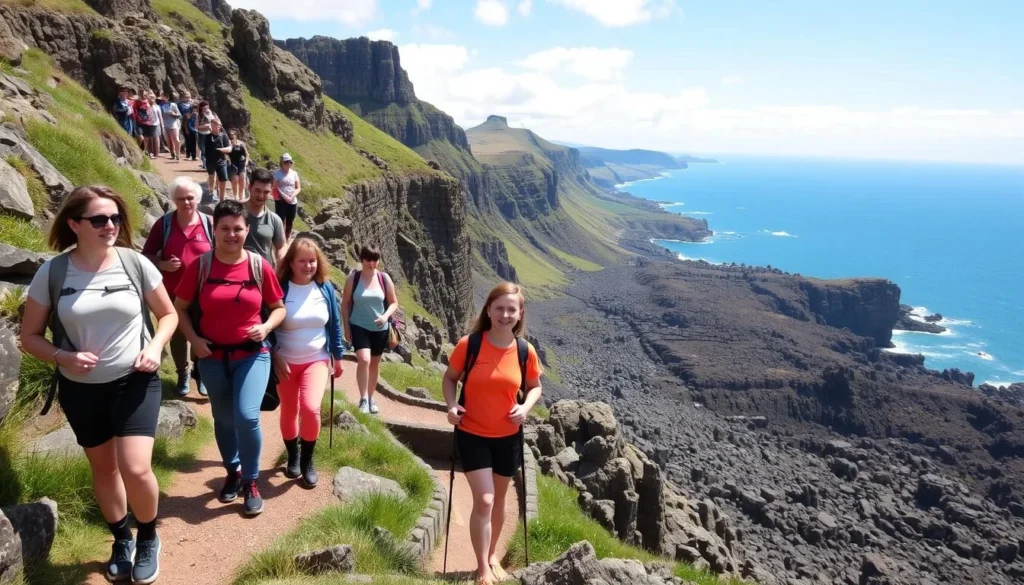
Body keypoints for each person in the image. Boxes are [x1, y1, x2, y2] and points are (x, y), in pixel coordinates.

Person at [19, 186, 178, 584]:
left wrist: (156, 346)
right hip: (80, 388)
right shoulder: (53, 272)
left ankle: (147, 537)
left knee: (136, 467)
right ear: (74, 224)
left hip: (135, 381)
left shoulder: (134, 263)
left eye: (115, 218)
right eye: (99, 219)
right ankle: (121, 539)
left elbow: (169, 315)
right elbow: (30, 337)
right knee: (104, 470)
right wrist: (63, 357)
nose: (111, 226)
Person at [173, 200, 285, 516]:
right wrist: (193, 340)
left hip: (252, 355)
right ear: (215, 230)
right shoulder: (201, 266)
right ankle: (232, 472)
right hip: (212, 356)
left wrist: (265, 327)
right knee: (223, 419)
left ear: (247, 230)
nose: (232, 234)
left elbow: (279, 308)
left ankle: (250, 481)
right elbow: (179, 308)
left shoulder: (258, 266)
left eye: (238, 228)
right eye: (225, 228)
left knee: (246, 416)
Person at [441, 283, 543, 585]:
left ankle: (491, 555)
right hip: (472, 434)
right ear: (488, 310)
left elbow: (536, 386)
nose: (505, 314)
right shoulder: (469, 345)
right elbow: (450, 379)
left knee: (498, 500)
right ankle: (482, 570)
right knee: (485, 500)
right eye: (500, 308)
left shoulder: (525, 351)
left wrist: (525, 407)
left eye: (512, 309)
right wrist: (450, 406)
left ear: (520, 313)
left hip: (508, 437)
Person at [273, 237, 345, 488]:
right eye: (302, 261)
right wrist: (274, 354)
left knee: (311, 408)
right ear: (291, 262)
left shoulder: (324, 288)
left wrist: (337, 355)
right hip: (285, 362)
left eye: (312, 261)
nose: (308, 266)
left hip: (317, 358)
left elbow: (334, 324)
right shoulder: (279, 288)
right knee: (289, 410)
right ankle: (292, 456)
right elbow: (268, 324)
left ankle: (307, 460)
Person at [141, 177, 213, 397]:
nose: (186, 202)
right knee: (179, 335)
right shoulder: (164, 224)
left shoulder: (209, 223)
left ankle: (200, 373)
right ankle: (182, 373)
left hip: (204, 293)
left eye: (190, 198)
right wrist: (162, 264)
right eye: (181, 198)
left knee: (203, 332)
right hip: (173, 293)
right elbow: (146, 256)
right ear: (173, 199)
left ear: (197, 199)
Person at [341, 245, 398, 415]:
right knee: (364, 360)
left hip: (380, 328)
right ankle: (363, 398)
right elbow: (345, 304)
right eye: (368, 260)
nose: (372, 264)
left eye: (375, 260)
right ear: (362, 260)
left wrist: (385, 316)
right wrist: (346, 327)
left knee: (374, 363)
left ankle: (371, 397)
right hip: (359, 325)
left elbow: (394, 302)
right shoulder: (353, 279)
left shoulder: (384, 278)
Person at [243, 168, 286, 267]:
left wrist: (280, 261)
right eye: (257, 191)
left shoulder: (274, 220)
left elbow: (281, 247)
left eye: (266, 192)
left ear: (271, 192)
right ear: (249, 187)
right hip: (237, 272)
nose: (261, 196)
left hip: (263, 274)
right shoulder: (235, 213)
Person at [272, 153, 301, 241]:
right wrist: (284, 196)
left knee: (290, 221)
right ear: (282, 163)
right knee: (280, 220)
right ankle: (279, 238)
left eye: (290, 162)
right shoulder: (277, 173)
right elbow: (275, 187)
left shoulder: (294, 173)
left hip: (292, 201)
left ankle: (287, 238)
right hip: (281, 200)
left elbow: (298, 187)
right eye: (286, 162)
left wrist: (292, 196)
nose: (288, 164)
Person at [204, 118, 231, 202]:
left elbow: (229, 149)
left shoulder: (224, 136)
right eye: (213, 125)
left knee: (223, 179)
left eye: (217, 125)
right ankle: (211, 193)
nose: (216, 127)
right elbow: (206, 148)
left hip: (221, 160)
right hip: (210, 160)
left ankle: (222, 198)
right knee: (211, 176)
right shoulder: (207, 137)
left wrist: (219, 150)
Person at [135, 91, 159, 159]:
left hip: (148, 123)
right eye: (142, 94)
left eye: (145, 95)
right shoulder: (137, 101)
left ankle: (144, 152)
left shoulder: (149, 102)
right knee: (141, 137)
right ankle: (141, 151)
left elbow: (154, 103)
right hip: (140, 122)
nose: (143, 96)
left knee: (147, 139)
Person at [228, 130, 250, 201]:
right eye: (231, 135)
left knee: (242, 179)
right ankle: (235, 196)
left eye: (233, 134)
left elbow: (247, 154)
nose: (232, 136)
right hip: (233, 163)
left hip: (241, 163)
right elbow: (226, 154)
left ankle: (241, 196)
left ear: (236, 135)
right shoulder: (229, 143)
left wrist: (246, 162)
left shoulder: (241, 143)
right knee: (235, 180)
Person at [159, 93, 182, 161]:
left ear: (167, 97)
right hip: (164, 125)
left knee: (176, 139)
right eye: (161, 97)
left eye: (163, 97)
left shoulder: (173, 105)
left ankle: (178, 154)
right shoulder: (159, 105)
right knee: (168, 141)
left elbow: (179, 115)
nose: (162, 99)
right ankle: (173, 154)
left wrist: (173, 114)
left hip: (173, 124)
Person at [195, 100, 215, 170]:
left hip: (209, 133)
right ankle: (204, 164)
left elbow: (213, 123)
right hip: (201, 134)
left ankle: (209, 164)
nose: (205, 109)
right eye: (204, 108)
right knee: (203, 150)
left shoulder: (210, 114)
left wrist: (209, 115)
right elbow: (197, 126)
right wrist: (206, 126)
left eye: (207, 107)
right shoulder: (198, 115)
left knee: (210, 150)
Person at [178, 91, 196, 162]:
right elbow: (179, 114)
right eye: (186, 97)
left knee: (194, 139)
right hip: (185, 123)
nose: (188, 98)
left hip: (193, 123)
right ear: (183, 97)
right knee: (187, 139)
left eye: (189, 97)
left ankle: (194, 155)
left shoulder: (193, 104)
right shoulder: (180, 105)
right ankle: (188, 154)